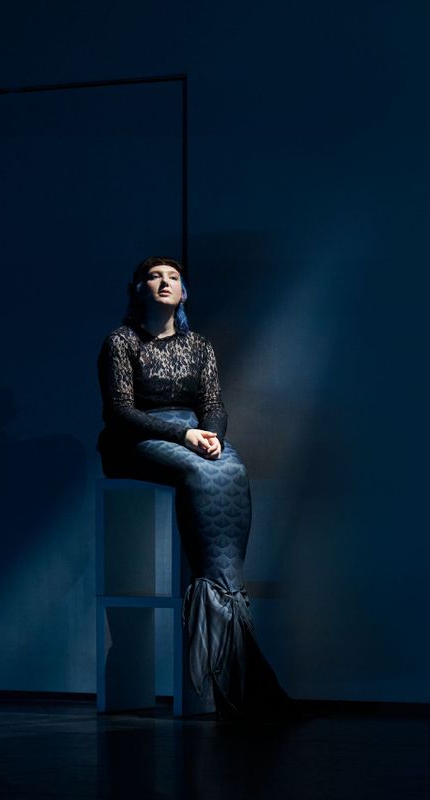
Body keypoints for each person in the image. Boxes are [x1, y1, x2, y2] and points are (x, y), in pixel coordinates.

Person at [96, 256, 292, 721]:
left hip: (193, 433)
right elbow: (120, 411)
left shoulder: (199, 345)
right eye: (154, 276)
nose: (164, 282)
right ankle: (220, 632)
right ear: (138, 290)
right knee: (203, 472)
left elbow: (213, 404)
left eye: (173, 278)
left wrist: (213, 436)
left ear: (183, 293)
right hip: (135, 439)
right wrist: (184, 435)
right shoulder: (121, 341)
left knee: (231, 469)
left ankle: (226, 607)